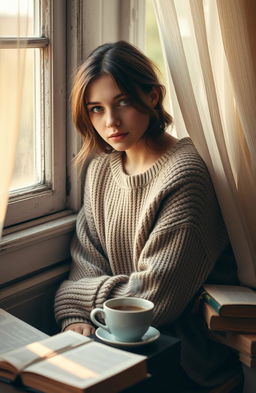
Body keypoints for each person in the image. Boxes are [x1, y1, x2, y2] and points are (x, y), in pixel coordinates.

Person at [54, 41, 241, 389]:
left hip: (182, 362)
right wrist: (75, 316)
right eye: (96, 109)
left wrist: (72, 296)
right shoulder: (100, 170)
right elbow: (86, 257)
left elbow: (155, 300)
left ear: (153, 97)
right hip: (111, 341)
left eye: (122, 102)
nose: (110, 122)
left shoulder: (185, 176)